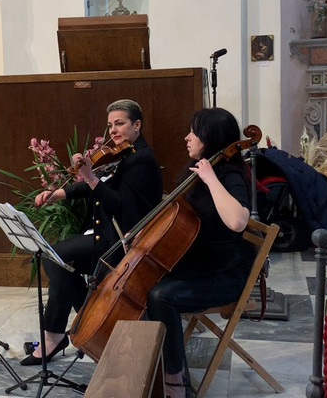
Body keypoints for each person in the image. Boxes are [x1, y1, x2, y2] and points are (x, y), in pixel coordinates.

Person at [21, 99, 163, 366]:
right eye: (110, 125)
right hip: (104, 235)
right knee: (55, 259)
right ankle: (77, 327)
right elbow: (99, 184)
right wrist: (59, 193)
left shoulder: (142, 160)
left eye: (119, 123)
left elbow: (122, 207)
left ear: (137, 124)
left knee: (56, 258)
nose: (113, 130)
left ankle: (70, 330)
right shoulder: (127, 154)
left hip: (123, 245)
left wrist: (90, 177)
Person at [144, 108, 253, 398]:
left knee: (160, 295)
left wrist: (210, 179)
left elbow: (238, 221)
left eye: (194, 131)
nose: (187, 136)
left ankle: (176, 381)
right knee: (144, 283)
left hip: (224, 274)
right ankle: (151, 366)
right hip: (200, 266)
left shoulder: (228, 175)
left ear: (211, 137)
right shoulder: (199, 169)